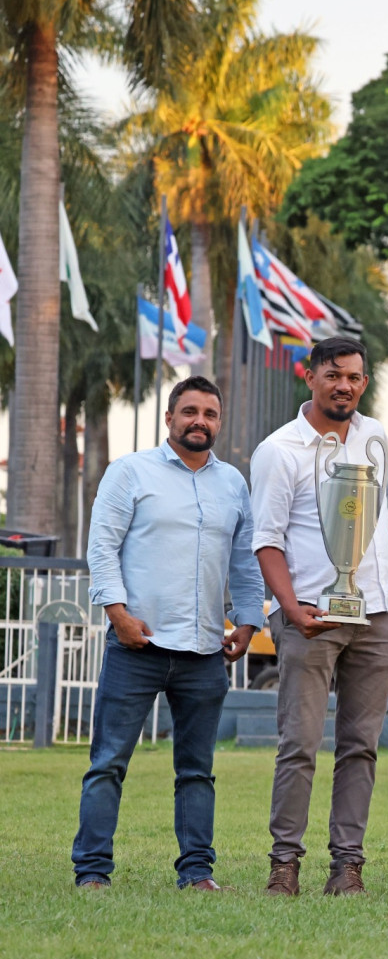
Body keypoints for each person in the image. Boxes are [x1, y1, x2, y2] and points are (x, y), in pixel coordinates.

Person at [74, 377, 263, 890]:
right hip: (139, 645)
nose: (199, 421)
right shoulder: (130, 472)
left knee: (197, 771)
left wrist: (247, 623)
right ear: (170, 418)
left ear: (219, 422)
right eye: (189, 411)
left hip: (206, 652)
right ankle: (92, 872)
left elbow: (245, 563)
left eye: (210, 413)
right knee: (108, 763)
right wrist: (118, 615)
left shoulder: (234, 485)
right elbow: (102, 548)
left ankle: (198, 874)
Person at [250, 337, 388, 897]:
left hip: (378, 615)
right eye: (333, 374)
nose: (344, 386)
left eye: (355, 377)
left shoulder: (376, 437)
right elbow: (266, 542)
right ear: (309, 375)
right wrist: (291, 609)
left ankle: (348, 867)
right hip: (309, 616)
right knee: (300, 744)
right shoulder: (279, 449)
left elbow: (373, 523)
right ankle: (284, 864)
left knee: (361, 746)